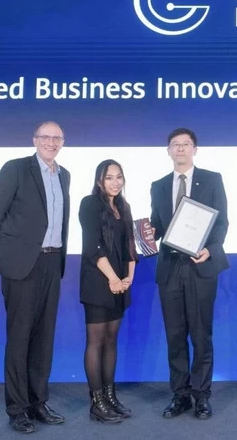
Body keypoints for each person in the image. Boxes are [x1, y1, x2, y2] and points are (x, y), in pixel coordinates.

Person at [0, 121, 70, 434]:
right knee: (19, 339)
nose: (51, 142)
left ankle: (38, 403)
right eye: (45, 137)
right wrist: (6, 255)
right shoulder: (16, 169)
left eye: (57, 138)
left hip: (52, 263)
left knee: (44, 340)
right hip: (21, 267)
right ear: (34, 140)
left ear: (62, 142)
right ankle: (17, 409)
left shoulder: (64, 174)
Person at [150, 128, 229, 420]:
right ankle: (180, 395)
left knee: (201, 334)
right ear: (168, 150)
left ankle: (202, 396)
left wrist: (210, 248)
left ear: (194, 149)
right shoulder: (158, 186)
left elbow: (221, 222)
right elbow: (158, 225)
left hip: (200, 265)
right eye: (175, 144)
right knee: (175, 335)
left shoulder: (212, 179)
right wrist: (147, 233)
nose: (180, 149)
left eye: (186, 144)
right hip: (170, 267)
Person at [78, 159, 138, 423]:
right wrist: (113, 278)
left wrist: (128, 278)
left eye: (119, 177)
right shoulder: (89, 204)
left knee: (112, 340)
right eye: (109, 177)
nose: (115, 182)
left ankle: (110, 397)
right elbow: (93, 246)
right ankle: (97, 403)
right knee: (96, 341)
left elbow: (130, 247)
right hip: (98, 280)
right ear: (99, 181)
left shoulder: (124, 207)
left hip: (120, 283)